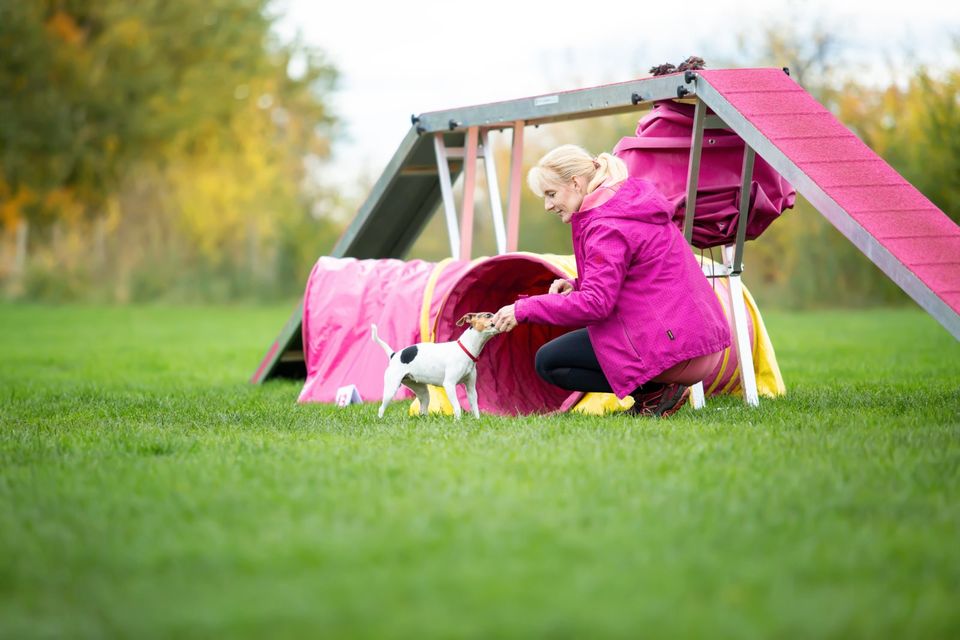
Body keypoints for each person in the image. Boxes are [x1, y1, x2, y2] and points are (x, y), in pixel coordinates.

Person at [492, 144, 731, 417]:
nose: (548, 205)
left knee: (550, 362)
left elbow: (596, 305)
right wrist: (577, 283)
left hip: (674, 353)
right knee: (575, 345)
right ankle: (656, 393)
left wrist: (524, 309)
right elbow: (635, 274)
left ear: (575, 183)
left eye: (551, 194)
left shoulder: (605, 224)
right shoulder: (625, 202)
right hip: (697, 343)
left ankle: (654, 392)